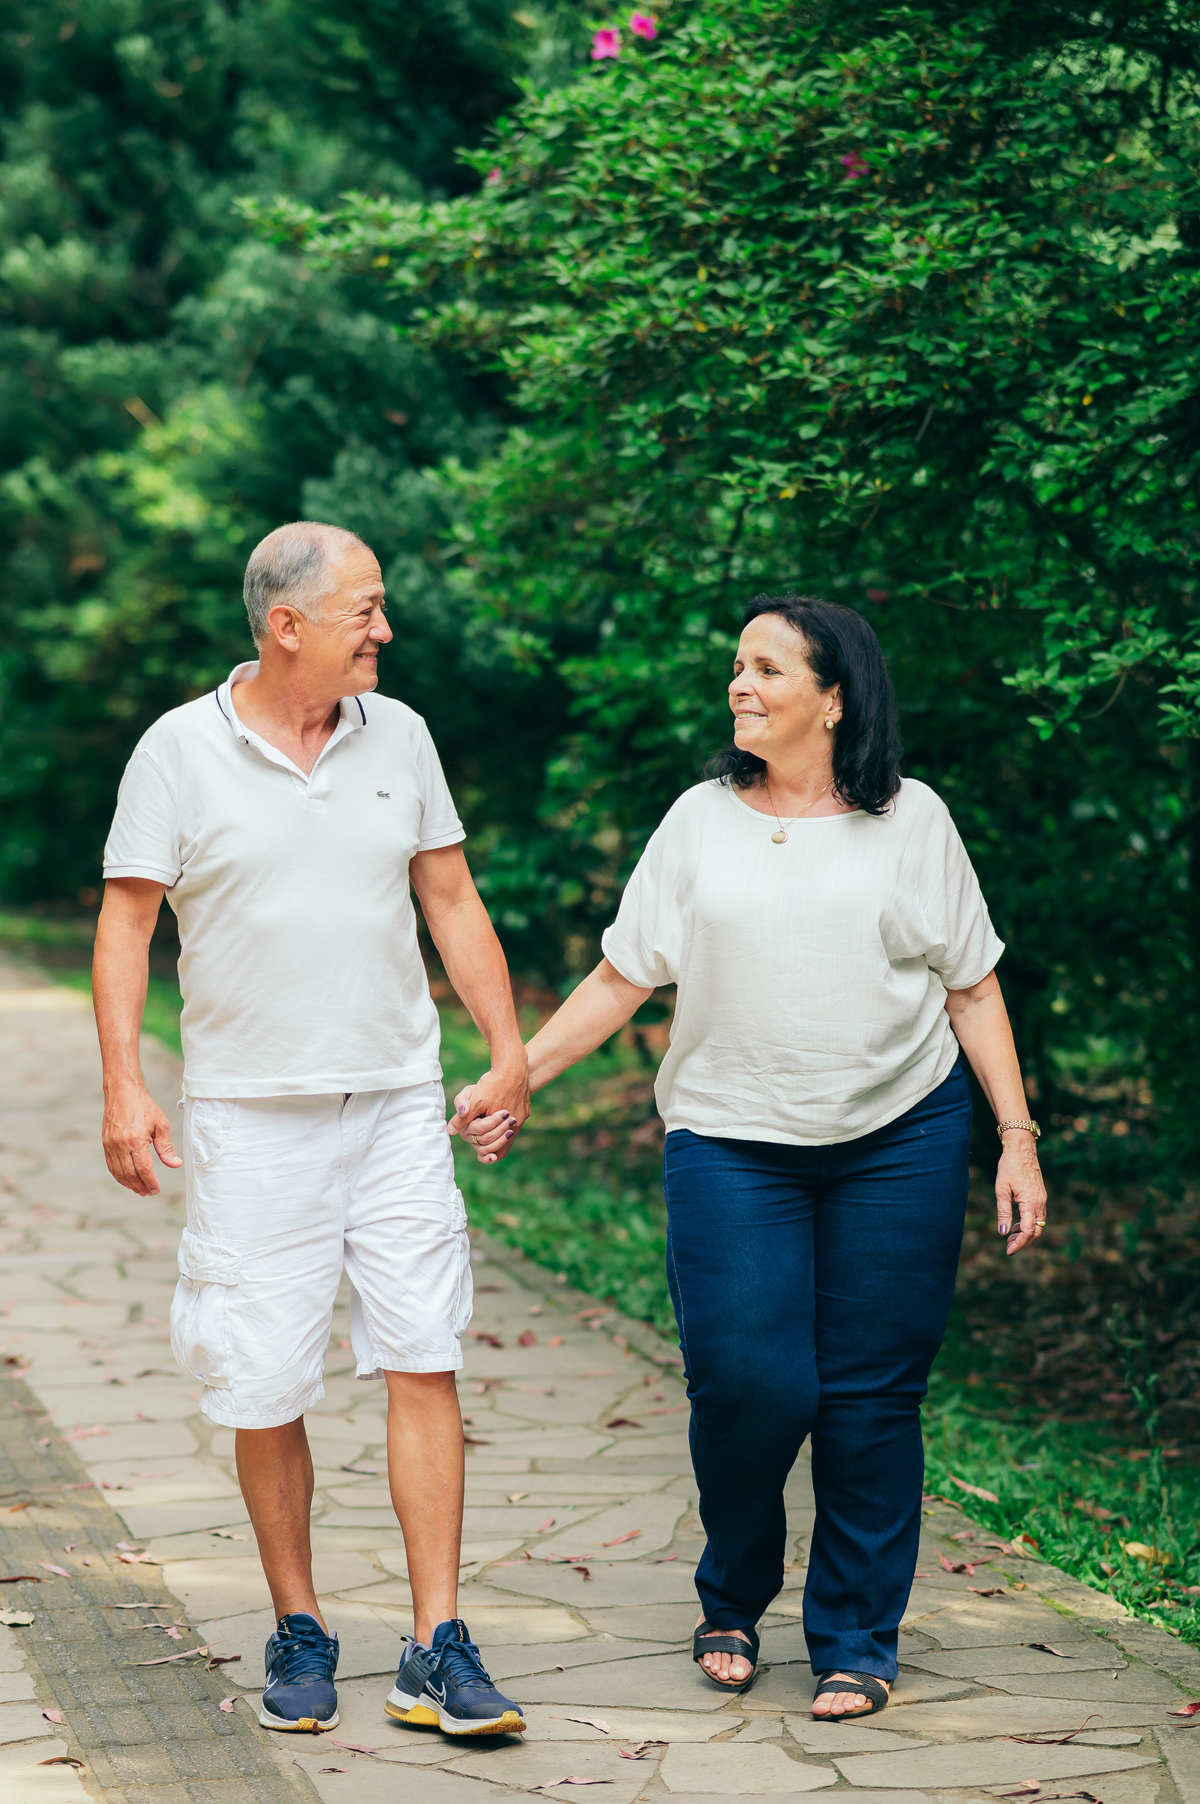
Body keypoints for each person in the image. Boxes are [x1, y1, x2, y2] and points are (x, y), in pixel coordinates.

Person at [458, 593, 1047, 1720]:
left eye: (768, 669)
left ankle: (856, 1638)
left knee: (872, 1398)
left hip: (901, 1136)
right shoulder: (698, 820)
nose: (741, 685)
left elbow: (971, 985)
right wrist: (519, 1070)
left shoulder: (912, 820)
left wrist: (1015, 1138)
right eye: (737, 664)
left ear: (833, 697)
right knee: (748, 1383)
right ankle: (731, 1591)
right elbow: (626, 974)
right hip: (732, 1138)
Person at [93, 521, 531, 1739]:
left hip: (393, 1099)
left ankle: (438, 1641)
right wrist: (125, 1087)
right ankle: (300, 1621)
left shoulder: (403, 738)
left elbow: (449, 893)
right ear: (288, 626)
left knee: (423, 1348)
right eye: (365, 610)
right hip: (248, 1109)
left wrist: (507, 1050)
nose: (384, 630)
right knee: (265, 1373)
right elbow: (128, 924)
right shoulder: (178, 750)